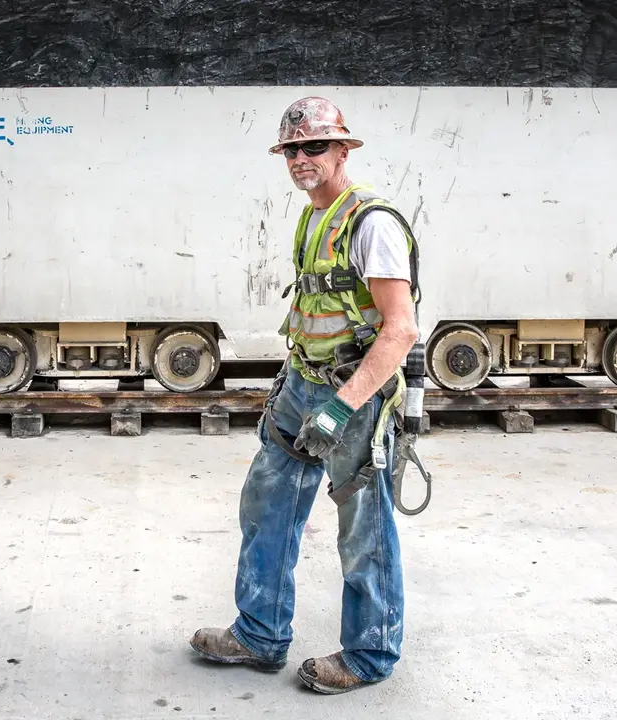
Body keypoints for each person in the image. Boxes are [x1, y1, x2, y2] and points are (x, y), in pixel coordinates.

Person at [188, 96, 421, 695]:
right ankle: (260, 633)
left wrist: (343, 405)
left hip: (355, 398)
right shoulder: (313, 216)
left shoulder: (373, 223)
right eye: (291, 148)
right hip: (301, 386)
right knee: (267, 503)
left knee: (363, 528)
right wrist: (293, 382)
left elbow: (399, 331)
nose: (300, 158)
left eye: (314, 146)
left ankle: (370, 654)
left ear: (344, 149)